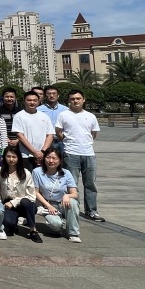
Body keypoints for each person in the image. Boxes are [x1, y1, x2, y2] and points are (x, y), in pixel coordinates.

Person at [56, 89, 104, 222]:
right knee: (71, 184)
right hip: (71, 153)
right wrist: (67, 141)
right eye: (72, 99)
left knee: (90, 183)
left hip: (88, 153)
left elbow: (93, 134)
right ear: (68, 101)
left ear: (83, 100)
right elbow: (58, 131)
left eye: (78, 98)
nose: (75, 101)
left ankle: (91, 211)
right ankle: (71, 210)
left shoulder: (91, 116)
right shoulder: (63, 115)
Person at [32, 148, 81, 242]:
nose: (51, 161)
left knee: (73, 203)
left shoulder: (66, 173)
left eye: (54, 158)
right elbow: (35, 192)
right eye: (48, 157)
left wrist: (67, 196)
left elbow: (75, 194)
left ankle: (73, 233)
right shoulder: (37, 172)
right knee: (56, 224)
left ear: (60, 160)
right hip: (48, 204)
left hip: (63, 203)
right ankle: (59, 225)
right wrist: (48, 206)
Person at [0, 146, 42, 243]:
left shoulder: (26, 173)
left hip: (24, 204)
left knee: (25, 202)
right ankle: (13, 224)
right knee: (9, 223)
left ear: (18, 158)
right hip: (7, 204)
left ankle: (33, 230)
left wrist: (14, 202)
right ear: (4, 157)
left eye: (14, 157)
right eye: (8, 156)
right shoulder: (0, 172)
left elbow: (31, 196)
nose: (11, 159)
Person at [12, 91, 54, 170]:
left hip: (43, 155)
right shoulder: (19, 116)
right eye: (29, 100)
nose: (32, 102)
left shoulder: (44, 116)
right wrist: (34, 152)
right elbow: (20, 136)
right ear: (24, 101)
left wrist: (42, 151)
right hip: (26, 155)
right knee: (28, 177)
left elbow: (50, 135)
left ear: (39, 101)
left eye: (35, 100)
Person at [38, 85, 68, 157]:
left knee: (62, 160)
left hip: (61, 141)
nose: (51, 96)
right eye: (49, 94)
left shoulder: (65, 110)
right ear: (45, 96)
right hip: (45, 141)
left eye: (54, 93)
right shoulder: (38, 110)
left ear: (58, 95)